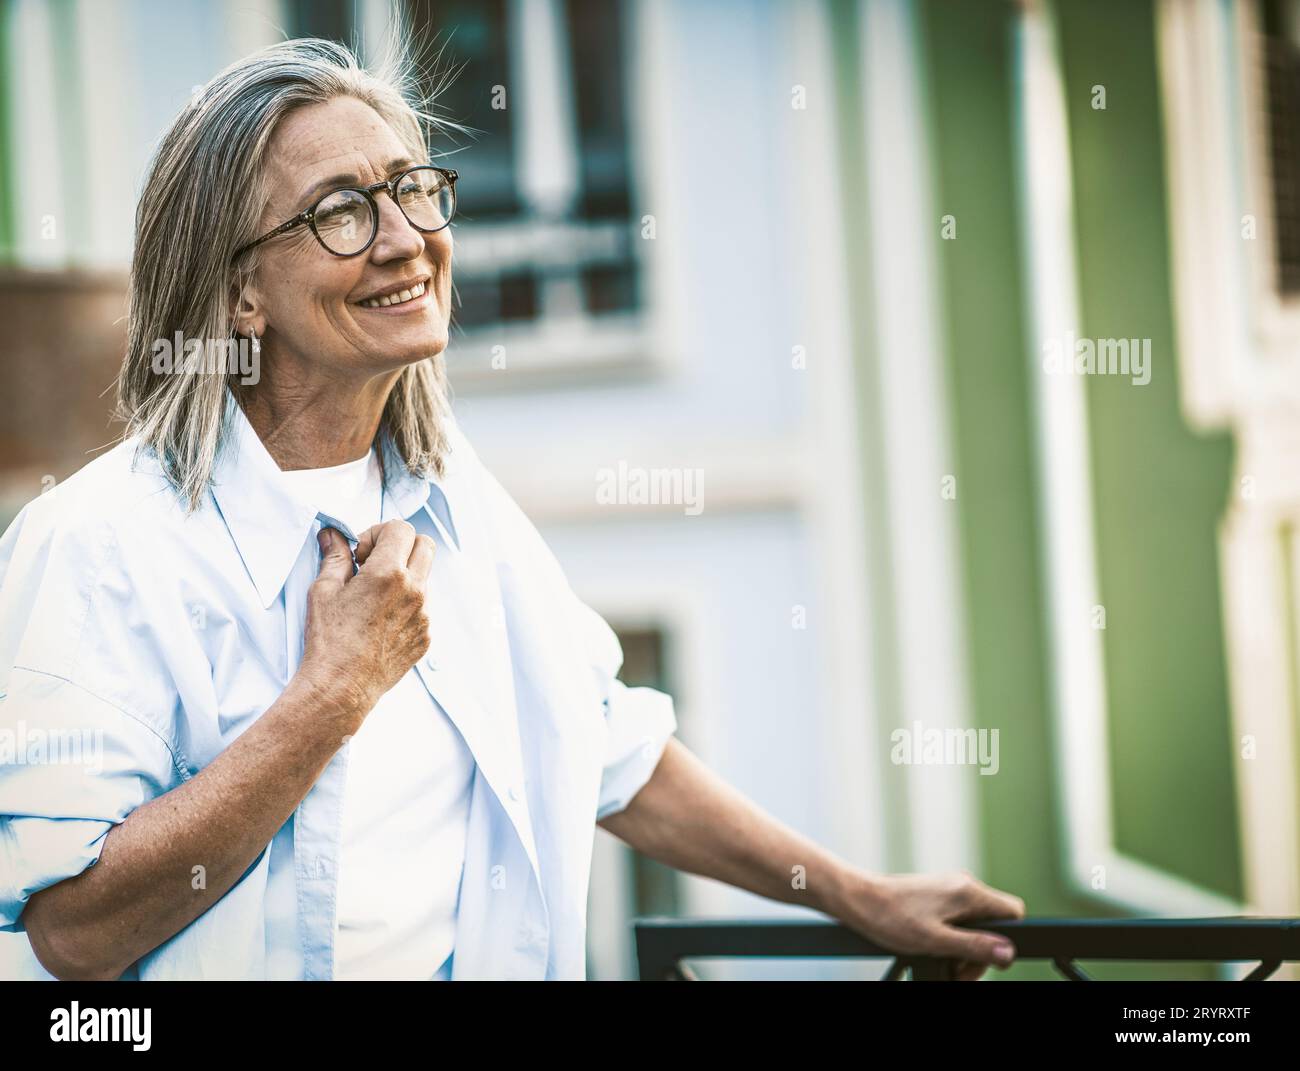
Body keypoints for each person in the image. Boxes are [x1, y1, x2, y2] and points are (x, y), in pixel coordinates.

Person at [0, 38, 1023, 981]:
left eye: (412, 193)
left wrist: (857, 897)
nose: (405, 241)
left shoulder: (459, 508)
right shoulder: (97, 545)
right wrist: (334, 694)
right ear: (238, 296)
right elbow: (75, 931)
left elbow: (612, 747)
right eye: (342, 212)